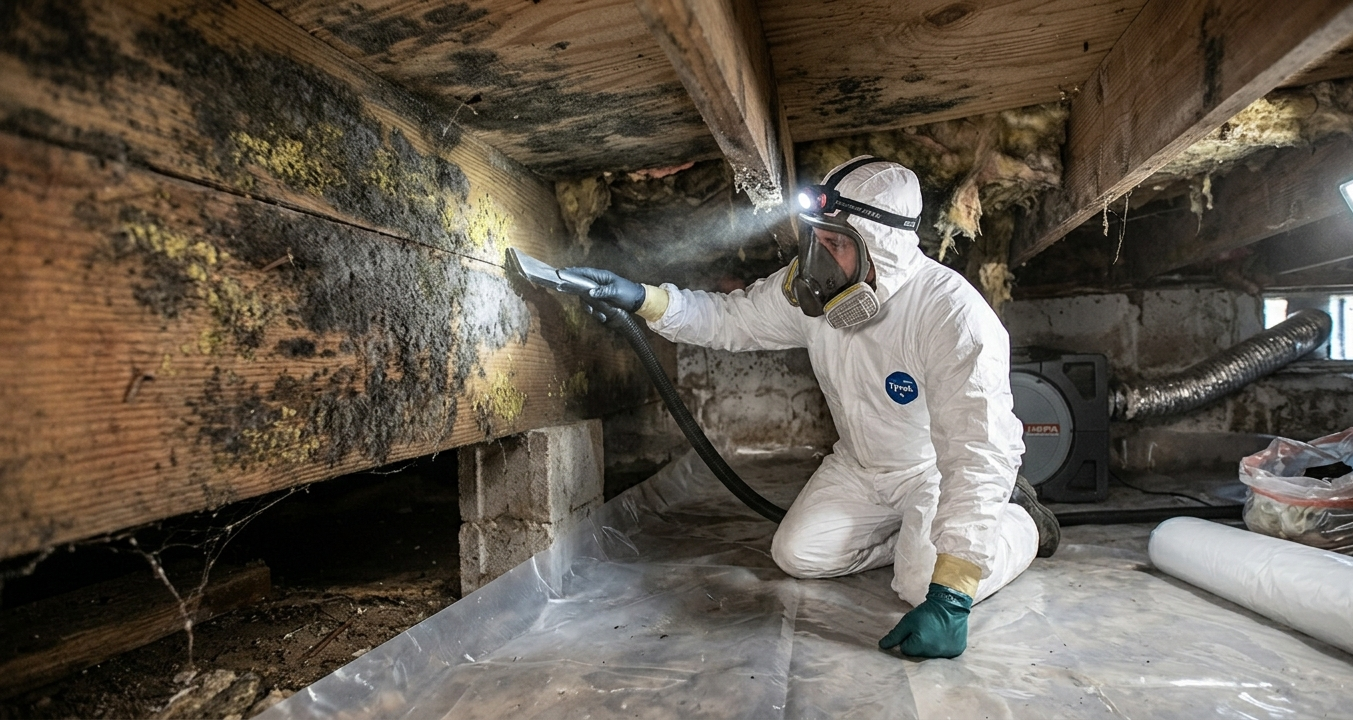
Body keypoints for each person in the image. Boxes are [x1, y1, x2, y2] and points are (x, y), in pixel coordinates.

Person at [567, 156, 1059, 659]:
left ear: (880, 248)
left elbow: (979, 449)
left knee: (920, 584)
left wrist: (952, 598)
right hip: (860, 467)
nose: (816, 260)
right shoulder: (821, 295)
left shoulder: (951, 315)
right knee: (797, 553)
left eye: (836, 244)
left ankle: (1021, 523)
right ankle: (916, 537)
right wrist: (642, 299)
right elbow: (732, 320)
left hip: (929, 470)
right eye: (815, 239)